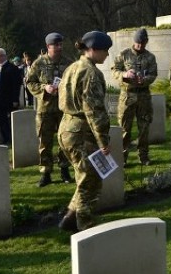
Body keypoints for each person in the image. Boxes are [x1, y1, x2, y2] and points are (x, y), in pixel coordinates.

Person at [57, 31, 113, 233]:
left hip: (67, 128)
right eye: (105, 50)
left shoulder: (72, 67)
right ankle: (86, 227)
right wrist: (103, 141)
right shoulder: (91, 73)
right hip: (82, 132)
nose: (107, 54)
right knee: (91, 181)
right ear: (93, 50)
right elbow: (94, 110)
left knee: (83, 177)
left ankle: (70, 218)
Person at [26, 33, 75, 187]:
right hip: (45, 110)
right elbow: (29, 82)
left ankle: (64, 170)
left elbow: (74, 82)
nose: (59, 48)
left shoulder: (68, 63)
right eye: (56, 45)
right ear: (48, 47)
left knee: (64, 141)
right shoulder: (38, 63)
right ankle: (46, 173)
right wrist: (44, 88)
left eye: (61, 45)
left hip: (63, 109)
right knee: (44, 142)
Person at [111, 28, 158, 166]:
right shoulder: (124, 55)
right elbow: (114, 70)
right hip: (128, 95)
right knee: (125, 128)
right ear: (134, 41)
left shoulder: (150, 57)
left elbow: (153, 74)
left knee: (144, 128)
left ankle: (143, 156)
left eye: (143, 43)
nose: (140, 46)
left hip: (143, 95)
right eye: (138, 43)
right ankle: (123, 157)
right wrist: (124, 75)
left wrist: (144, 80)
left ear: (146, 42)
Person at [0, 47, 23, 144]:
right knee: (2, 120)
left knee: (10, 121)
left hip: (10, 100)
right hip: (0, 100)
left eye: (0, 56)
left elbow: (16, 86)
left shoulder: (12, 68)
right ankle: (5, 138)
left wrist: (15, 100)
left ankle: (12, 139)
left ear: (5, 56)